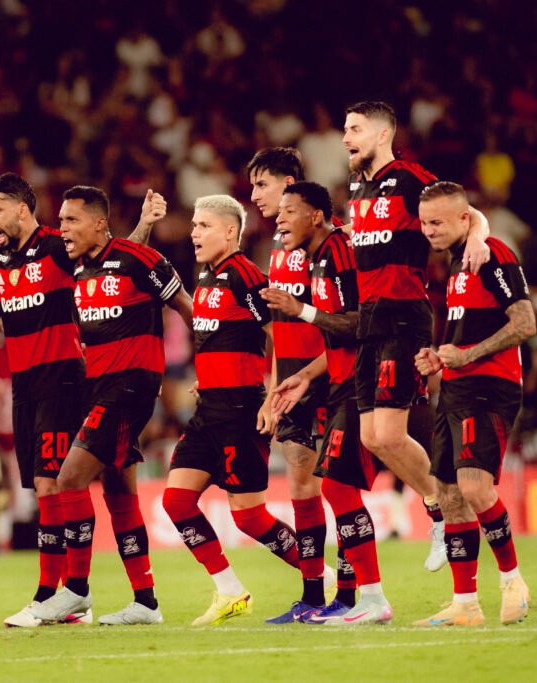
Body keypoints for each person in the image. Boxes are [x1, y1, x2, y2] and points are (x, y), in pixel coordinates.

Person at [0, 173, 166, 627]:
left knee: (55, 486)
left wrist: (143, 226)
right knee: (109, 486)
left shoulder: (58, 245)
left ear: (22, 209)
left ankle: (56, 593)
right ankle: (132, 598)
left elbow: (113, 259)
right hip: (25, 386)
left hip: (67, 381)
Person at [30, 185, 192, 626]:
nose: (63, 228)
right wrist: (142, 225)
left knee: (69, 478)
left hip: (130, 387)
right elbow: (115, 259)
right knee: (119, 490)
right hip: (98, 389)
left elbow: (186, 307)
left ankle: (76, 590)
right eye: (60, 221)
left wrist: (213, 368)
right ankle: (146, 601)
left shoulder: (141, 260)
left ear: (99, 223)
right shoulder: (83, 270)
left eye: (71, 220)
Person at [342, 101, 490, 572]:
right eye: (345, 129)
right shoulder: (358, 187)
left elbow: (468, 212)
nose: (346, 138)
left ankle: (449, 510)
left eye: (355, 129)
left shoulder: (410, 180)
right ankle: (437, 507)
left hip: (403, 316)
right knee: (372, 437)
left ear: (383, 134)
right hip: (368, 320)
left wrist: (479, 236)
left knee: (389, 432)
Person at [162, 194, 310, 626]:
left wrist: (272, 397)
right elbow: (222, 340)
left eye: (204, 225)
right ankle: (229, 590)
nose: (194, 233)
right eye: (194, 225)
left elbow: (279, 334)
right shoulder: (207, 277)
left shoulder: (245, 275)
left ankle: (326, 579)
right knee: (176, 501)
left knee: (248, 517)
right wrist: (206, 379)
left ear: (230, 231)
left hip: (241, 411)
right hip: (208, 410)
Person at [264, 182, 392, 625]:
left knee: (340, 486)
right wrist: (304, 375)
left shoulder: (340, 251)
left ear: (315, 215)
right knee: (337, 487)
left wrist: (300, 310)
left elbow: (362, 322)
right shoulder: (320, 257)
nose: (279, 219)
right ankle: (361, 597)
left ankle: (372, 595)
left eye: (288, 210)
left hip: (361, 381)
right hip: (339, 380)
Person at [413, 181, 534, 626]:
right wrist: (439, 356)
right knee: (448, 494)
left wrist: (469, 356)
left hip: (489, 386)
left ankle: (513, 581)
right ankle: (465, 603)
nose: (429, 230)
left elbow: (525, 323)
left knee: (475, 488)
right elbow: (466, 331)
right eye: (425, 223)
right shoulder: (457, 260)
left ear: (465, 218)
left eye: (438, 222)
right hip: (456, 387)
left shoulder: (493, 255)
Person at [247, 148, 340, 620]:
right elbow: (277, 331)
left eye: (262, 184)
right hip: (292, 382)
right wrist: (273, 388)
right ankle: (314, 596)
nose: (254, 195)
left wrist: (306, 375)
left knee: (337, 488)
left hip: (326, 377)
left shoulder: (327, 243)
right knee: (302, 487)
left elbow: (339, 320)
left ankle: (353, 593)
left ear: (289, 184)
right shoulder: (280, 247)